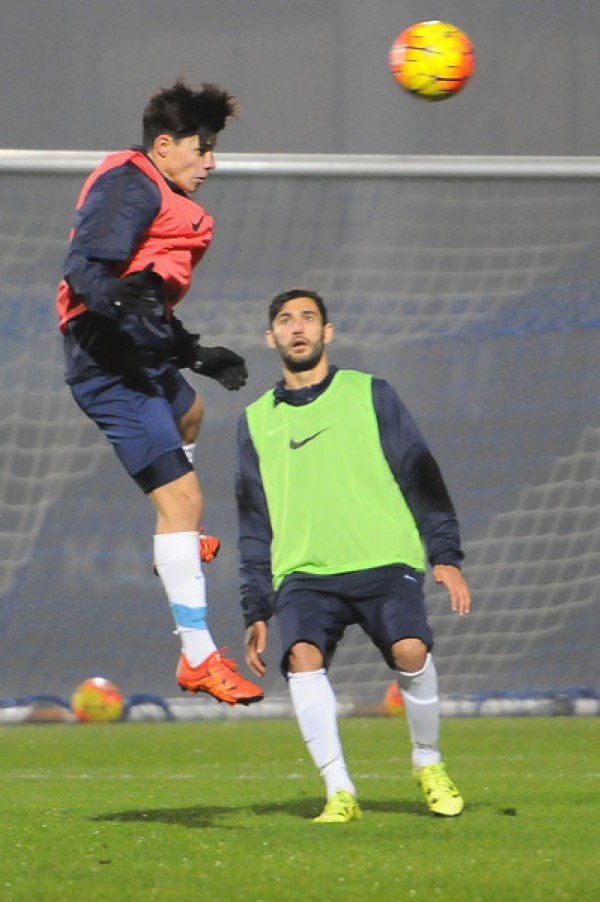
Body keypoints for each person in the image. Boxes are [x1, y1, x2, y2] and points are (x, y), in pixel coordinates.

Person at [56, 79, 263, 707]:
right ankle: (198, 657)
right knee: (183, 500)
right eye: (203, 148)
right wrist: (114, 296)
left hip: (133, 350)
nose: (211, 162)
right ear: (166, 145)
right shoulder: (131, 183)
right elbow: (86, 269)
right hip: (105, 359)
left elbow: (144, 302)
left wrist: (193, 353)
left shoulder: (158, 191)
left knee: (191, 413)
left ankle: (178, 541)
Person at [236, 288, 471, 821]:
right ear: (270, 337)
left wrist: (444, 554)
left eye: (308, 318)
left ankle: (428, 761)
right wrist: (256, 606)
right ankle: (339, 790)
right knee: (302, 657)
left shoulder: (371, 393)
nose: (297, 327)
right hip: (304, 572)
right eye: (285, 320)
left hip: (383, 559)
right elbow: (253, 519)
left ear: (328, 332)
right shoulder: (255, 420)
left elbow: (419, 472)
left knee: (411, 650)